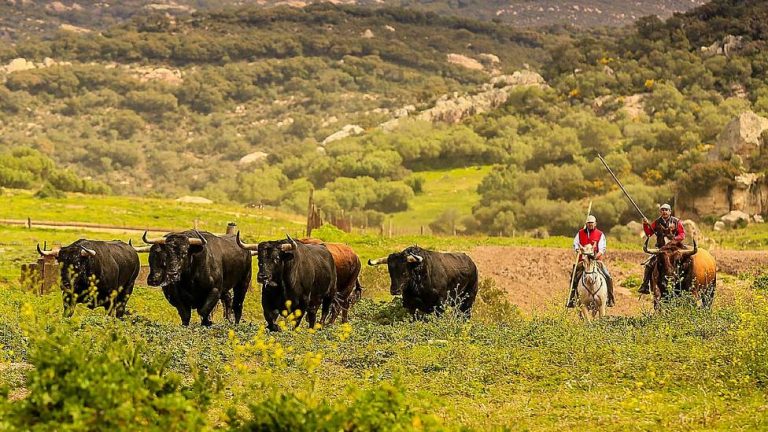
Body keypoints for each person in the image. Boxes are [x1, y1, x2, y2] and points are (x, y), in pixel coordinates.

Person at [566, 215, 615, 308]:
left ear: (595, 224)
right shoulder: (580, 233)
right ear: (586, 224)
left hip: (596, 261)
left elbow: (602, 249)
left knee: (608, 277)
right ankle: (571, 299)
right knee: (573, 277)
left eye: (592, 223)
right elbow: (575, 244)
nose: (590, 225)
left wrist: (595, 257)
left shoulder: (600, 234)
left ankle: (610, 299)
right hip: (583, 261)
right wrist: (578, 249)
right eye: (588, 223)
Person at [638, 203, 686, 294]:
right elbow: (648, 233)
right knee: (649, 265)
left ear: (670, 211)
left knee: (687, 262)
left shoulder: (676, 221)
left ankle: (688, 285)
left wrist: (674, 240)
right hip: (661, 250)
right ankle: (645, 285)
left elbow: (682, 234)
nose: (664, 212)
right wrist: (645, 225)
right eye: (662, 210)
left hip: (674, 249)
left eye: (666, 210)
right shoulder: (657, 222)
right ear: (660, 212)